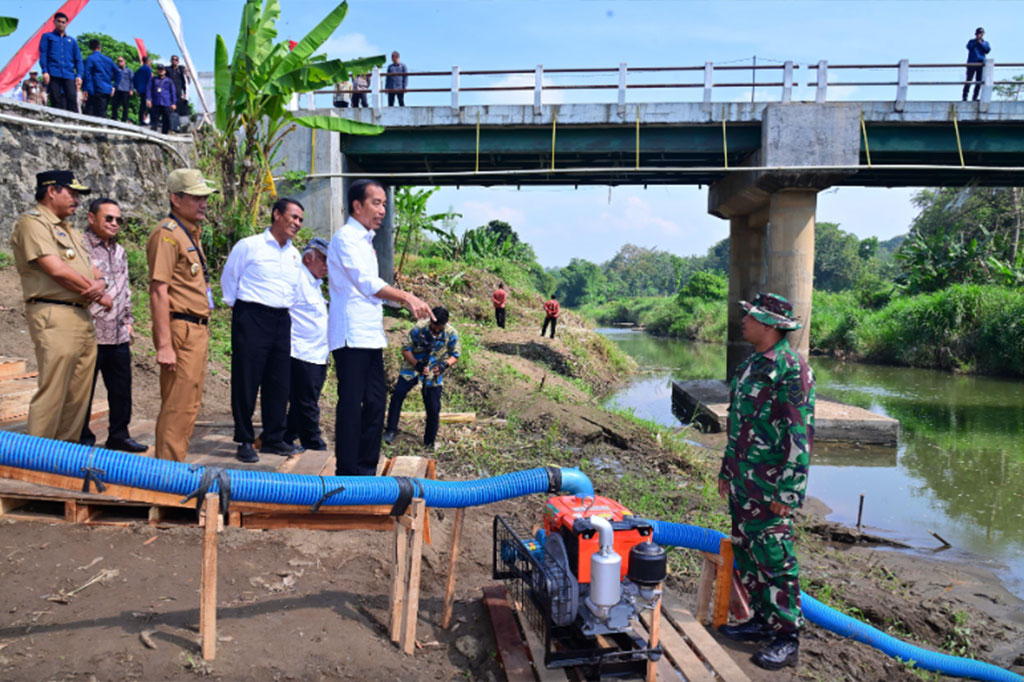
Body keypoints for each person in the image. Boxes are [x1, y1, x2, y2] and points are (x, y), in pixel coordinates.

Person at [716, 292, 815, 671]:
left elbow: (799, 436)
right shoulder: (753, 364)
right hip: (744, 482)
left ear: (771, 325)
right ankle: (761, 619)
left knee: (776, 558)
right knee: (747, 550)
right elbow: (739, 424)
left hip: (771, 487)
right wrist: (728, 469)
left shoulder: (792, 370)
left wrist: (788, 493)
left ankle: (786, 636)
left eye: (751, 317)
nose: (744, 321)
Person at [328, 179, 433, 476]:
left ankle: (365, 468)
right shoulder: (346, 237)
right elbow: (366, 283)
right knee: (352, 402)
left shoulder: (366, 241)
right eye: (376, 203)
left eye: (384, 204)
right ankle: (348, 471)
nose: (382, 210)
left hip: (369, 335)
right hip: (350, 335)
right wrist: (406, 296)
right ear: (357, 206)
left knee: (375, 400)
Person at [10, 170, 111, 442]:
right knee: (54, 388)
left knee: (78, 392)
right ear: (51, 190)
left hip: (80, 313)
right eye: (72, 193)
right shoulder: (33, 223)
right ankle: (36, 455)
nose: (77, 200)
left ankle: (63, 454)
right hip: (54, 312)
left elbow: (94, 271)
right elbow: (56, 270)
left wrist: (99, 287)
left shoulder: (69, 231)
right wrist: (96, 291)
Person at [220, 198, 304, 463]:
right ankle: (244, 439)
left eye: (301, 220)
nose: (297, 223)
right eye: (293, 217)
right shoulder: (250, 246)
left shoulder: (294, 254)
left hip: (281, 319)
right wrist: (240, 311)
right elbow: (229, 279)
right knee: (247, 379)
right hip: (252, 315)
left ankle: (273, 437)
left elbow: (293, 290)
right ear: (277, 215)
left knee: (279, 381)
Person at [146, 168, 218, 462]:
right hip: (181, 329)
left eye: (204, 198)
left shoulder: (190, 233)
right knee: (177, 404)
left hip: (197, 328)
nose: (203, 203)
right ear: (175, 199)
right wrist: (164, 345)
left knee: (189, 403)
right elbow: (158, 290)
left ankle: (173, 468)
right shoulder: (168, 235)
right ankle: (168, 476)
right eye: (195, 197)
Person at [78, 198, 147, 453]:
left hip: (117, 333)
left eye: (118, 219)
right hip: (89, 332)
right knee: (83, 390)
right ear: (91, 218)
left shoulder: (120, 251)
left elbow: (125, 290)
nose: (115, 223)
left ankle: (119, 435)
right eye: (109, 218)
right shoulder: (80, 247)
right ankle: (82, 437)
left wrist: (128, 321)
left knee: (121, 389)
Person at [383, 307, 460, 449]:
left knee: (433, 407)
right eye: (434, 327)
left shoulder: (451, 333)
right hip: (413, 366)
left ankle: (429, 441)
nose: (436, 330)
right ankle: (390, 430)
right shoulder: (419, 328)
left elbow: (455, 355)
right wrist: (417, 365)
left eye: (439, 328)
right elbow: (406, 349)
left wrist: (444, 365)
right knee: (398, 395)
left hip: (434, 370)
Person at [284, 237, 330, 452]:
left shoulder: (314, 283)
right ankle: (313, 442)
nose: (327, 267)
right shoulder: (298, 279)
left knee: (303, 400)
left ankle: (287, 434)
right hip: (302, 351)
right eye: (324, 260)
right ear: (309, 258)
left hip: (317, 352)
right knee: (307, 401)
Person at [38, 11, 83, 113]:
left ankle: (75, 124)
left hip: (69, 74)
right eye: (59, 21)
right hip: (53, 72)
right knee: (55, 99)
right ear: (54, 22)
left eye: (63, 22)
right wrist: (45, 71)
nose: (61, 24)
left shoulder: (72, 41)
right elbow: (43, 54)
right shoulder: (47, 37)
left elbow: (78, 59)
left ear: (66, 24)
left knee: (72, 98)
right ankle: (57, 123)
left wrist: (79, 75)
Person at [82, 39, 116, 119]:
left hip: (95, 89)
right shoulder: (108, 60)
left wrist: (85, 88)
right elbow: (118, 73)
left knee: (90, 113)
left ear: (90, 48)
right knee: (102, 113)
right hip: (107, 89)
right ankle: (101, 131)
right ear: (99, 48)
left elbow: (87, 74)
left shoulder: (90, 58)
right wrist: (113, 85)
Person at [146, 64, 177, 134]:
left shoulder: (169, 81)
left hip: (166, 103)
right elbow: (148, 89)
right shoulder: (153, 80)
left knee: (166, 120)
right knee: (154, 120)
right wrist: (148, 99)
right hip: (156, 102)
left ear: (165, 71)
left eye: (162, 69)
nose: (160, 71)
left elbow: (173, 92)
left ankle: (164, 135)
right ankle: (153, 134)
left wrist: (174, 103)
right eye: (159, 69)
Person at [963, 27, 991, 102]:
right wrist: (976, 41)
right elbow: (969, 47)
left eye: (981, 33)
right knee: (969, 80)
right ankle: (965, 97)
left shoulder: (985, 43)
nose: (980, 35)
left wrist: (980, 43)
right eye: (979, 33)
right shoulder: (971, 42)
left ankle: (975, 97)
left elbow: (987, 50)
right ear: (976, 34)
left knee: (978, 81)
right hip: (972, 63)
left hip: (980, 64)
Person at [110, 56, 134, 122]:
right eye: (118, 61)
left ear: (124, 62)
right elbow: (112, 78)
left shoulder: (129, 71)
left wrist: (131, 89)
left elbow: (132, 80)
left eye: (121, 61)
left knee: (125, 106)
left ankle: (124, 119)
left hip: (125, 90)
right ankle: (114, 118)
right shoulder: (116, 70)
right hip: (117, 89)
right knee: (115, 104)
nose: (120, 62)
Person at [133, 56, 152, 126]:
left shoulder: (139, 70)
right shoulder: (148, 69)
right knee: (149, 106)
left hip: (140, 90)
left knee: (142, 106)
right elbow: (149, 81)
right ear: (147, 61)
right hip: (147, 90)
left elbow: (134, 79)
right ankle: (150, 121)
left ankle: (141, 120)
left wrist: (137, 88)